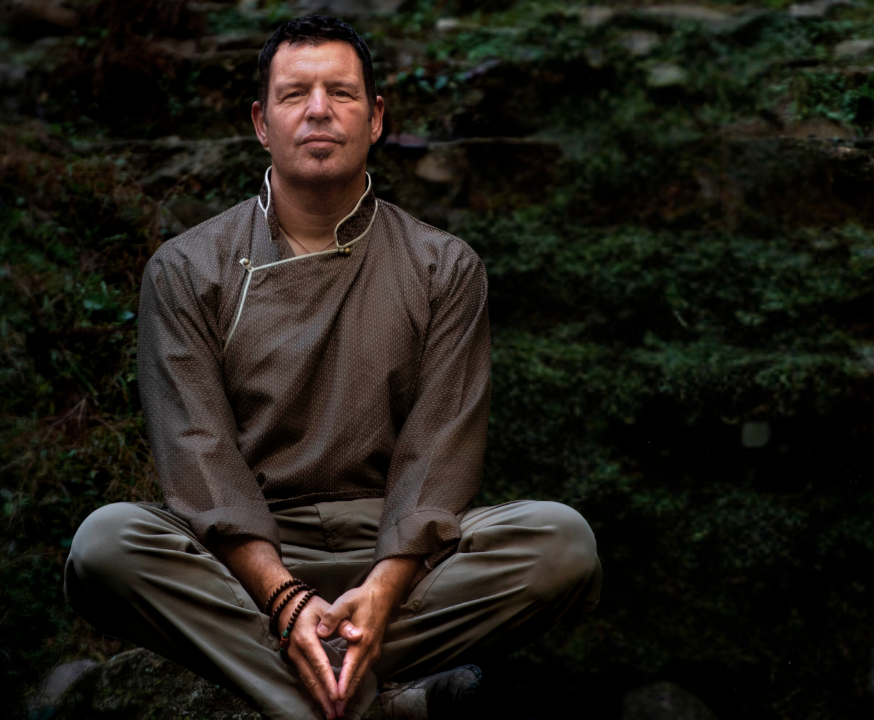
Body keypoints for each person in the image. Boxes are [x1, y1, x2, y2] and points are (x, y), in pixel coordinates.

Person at [62, 15, 602, 720]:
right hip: (243, 562)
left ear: (375, 118)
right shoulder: (187, 269)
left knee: (562, 543)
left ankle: (302, 676)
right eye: (295, 94)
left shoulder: (443, 266)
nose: (319, 110)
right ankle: (379, 702)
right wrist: (284, 599)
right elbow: (199, 459)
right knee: (105, 546)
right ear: (261, 122)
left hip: (401, 559)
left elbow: (439, 455)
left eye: (341, 93)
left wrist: (380, 591)